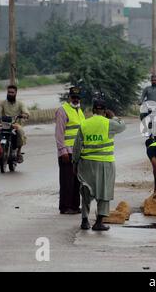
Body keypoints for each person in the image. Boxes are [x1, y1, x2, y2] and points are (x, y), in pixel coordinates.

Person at [73, 99, 126, 231]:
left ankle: (85, 221)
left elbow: (77, 146)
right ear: (104, 111)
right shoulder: (109, 123)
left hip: (86, 164)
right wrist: (113, 116)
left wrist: (75, 163)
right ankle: (98, 223)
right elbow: (122, 125)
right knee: (104, 192)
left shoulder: (84, 124)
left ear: (93, 110)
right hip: (105, 163)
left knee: (85, 192)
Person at [55, 87, 86, 215]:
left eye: (78, 97)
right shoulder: (63, 110)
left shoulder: (80, 111)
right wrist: (63, 151)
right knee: (67, 181)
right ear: (69, 97)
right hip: (67, 153)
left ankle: (74, 206)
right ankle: (65, 207)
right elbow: (59, 133)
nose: (76, 99)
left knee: (76, 181)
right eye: (73, 97)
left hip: (78, 152)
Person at [0, 85, 29, 163]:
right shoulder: (2, 103)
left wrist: (24, 115)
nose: (10, 94)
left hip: (15, 124)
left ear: (16, 93)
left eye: (12, 92)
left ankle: (19, 153)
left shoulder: (20, 103)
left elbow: (26, 112)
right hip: (4, 124)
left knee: (20, 132)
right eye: (9, 92)